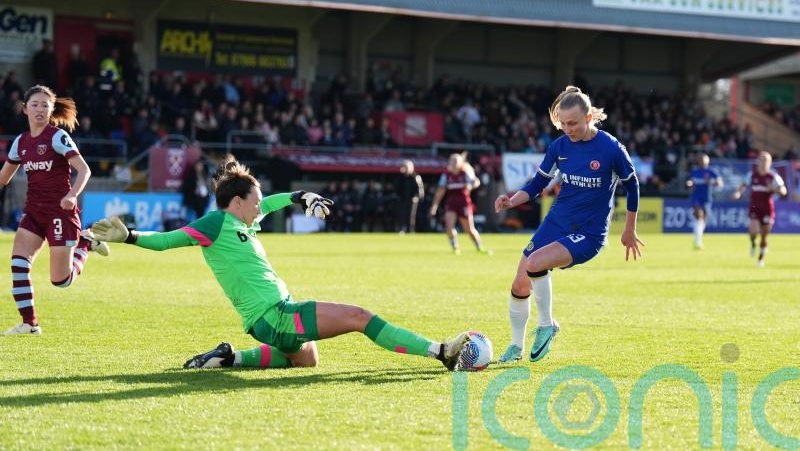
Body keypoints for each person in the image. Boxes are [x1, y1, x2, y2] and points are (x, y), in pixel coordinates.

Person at [90, 156, 470, 370]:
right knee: (359, 316)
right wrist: (130, 236)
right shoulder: (216, 222)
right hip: (276, 315)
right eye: (253, 201)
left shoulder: (241, 219)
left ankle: (227, 358)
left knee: (307, 359)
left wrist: (302, 195)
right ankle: (441, 352)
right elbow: (169, 240)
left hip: (267, 322)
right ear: (236, 202)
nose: (260, 207)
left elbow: (270, 203)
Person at [493, 86, 643, 364]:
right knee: (519, 282)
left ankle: (547, 325)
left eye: (572, 123)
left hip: (588, 233)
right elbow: (539, 183)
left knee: (535, 262)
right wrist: (513, 201)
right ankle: (515, 347)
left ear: (589, 118)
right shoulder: (559, 147)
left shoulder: (611, 148)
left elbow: (632, 186)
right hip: (556, 222)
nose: (567, 129)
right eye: (562, 123)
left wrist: (629, 229)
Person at [0, 85, 108, 335]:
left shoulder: (57, 137)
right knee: (18, 264)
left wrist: (72, 195)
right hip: (33, 213)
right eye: (35, 104)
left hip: (61, 213)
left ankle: (85, 244)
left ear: (51, 110)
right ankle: (30, 324)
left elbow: (84, 169)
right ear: (24, 109)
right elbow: (4, 178)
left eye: (45, 105)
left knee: (61, 281)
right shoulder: (20, 142)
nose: (40, 109)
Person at [732, 151, 788, 267]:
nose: (763, 163)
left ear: (770, 163)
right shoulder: (752, 175)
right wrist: (737, 193)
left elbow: (784, 191)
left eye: (765, 161)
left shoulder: (773, 177)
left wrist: (774, 188)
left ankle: (760, 259)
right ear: (757, 162)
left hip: (767, 208)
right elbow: (743, 185)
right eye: (761, 160)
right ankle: (753, 243)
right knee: (754, 230)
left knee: (764, 235)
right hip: (754, 207)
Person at [429, 153, 490, 255]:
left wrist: (474, 183)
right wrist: (434, 206)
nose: (454, 163)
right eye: (452, 161)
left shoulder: (465, 173)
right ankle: (455, 247)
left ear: (460, 163)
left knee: (469, 229)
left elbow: (475, 181)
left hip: (464, 203)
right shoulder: (446, 176)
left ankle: (479, 247)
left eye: (456, 161)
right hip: (451, 204)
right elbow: (440, 192)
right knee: (449, 226)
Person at [686, 153, 723, 249]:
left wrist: (711, 182)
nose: (702, 162)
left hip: (707, 199)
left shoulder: (711, 172)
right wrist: (689, 184)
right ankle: (698, 241)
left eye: (704, 160)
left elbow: (720, 183)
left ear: (708, 161)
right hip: (696, 197)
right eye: (700, 160)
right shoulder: (695, 171)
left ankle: (697, 239)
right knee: (699, 214)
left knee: (702, 221)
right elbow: (690, 181)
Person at [397, 159, 425, 233]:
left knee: (411, 215)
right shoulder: (401, 177)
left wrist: (418, 197)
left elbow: (420, 189)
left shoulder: (415, 176)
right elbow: (398, 188)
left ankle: (411, 230)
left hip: (413, 200)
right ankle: (402, 229)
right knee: (402, 214)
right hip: (403, 199)